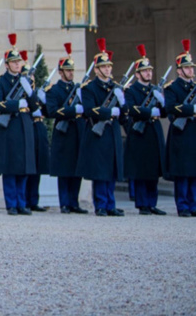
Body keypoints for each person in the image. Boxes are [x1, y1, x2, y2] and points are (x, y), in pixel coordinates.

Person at [0, 34, 39, 216]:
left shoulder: (25, 81)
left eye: (19, 61)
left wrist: (31, 94)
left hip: (24, 125)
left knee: (24, 167)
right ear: (7, 64)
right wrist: (15, 104)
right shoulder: (0, 82)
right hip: (9, 127)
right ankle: (11, 203)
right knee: (10, 167)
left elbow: (34, 107)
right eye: (14, 62)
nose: (17, 64)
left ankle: (22, 203)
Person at [76, 38, 125, 217]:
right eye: (103, 67)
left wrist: (121, 102)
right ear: (96, 69)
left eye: (109, 66)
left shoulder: (116, 87)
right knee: (100, 171)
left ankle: (110, 204)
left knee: (112, 170)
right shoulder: (90, 88)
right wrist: (109, 111)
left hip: (111, 131)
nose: (107, 69)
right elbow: (90, 110)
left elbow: (124, 111)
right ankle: (101, 205)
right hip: (98, 132)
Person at [124, 44, 166, 216]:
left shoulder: (154, 90)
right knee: (141, 170)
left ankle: (152, 202)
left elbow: (164, 112)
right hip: (140, 133)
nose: (149, 73)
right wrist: (150, 111)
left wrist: (162, 102)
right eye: (145, 71)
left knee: (153, 170)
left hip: (153, 130)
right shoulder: (132, 90)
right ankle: (142, 203)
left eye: (150, 70)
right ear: (137, 74)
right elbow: (132, 109)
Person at [46, 43, 88, 214]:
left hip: (77, 131)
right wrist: (72, 110)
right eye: (68, 70)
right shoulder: (54, 90)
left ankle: (74, 202)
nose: (71, 73)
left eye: (72, 70)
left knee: (76, 169)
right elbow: (52, 110)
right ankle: (65, 202)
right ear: (61, 72)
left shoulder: (78, 89)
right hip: (63, 133)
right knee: (64, 170)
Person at [164, 40, 196, 217]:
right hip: (181, 133)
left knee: (194, 172)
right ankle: (183, 205)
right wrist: (192, 109)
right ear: (179, 70)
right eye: (187, 67)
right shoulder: (172, 88)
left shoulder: (194, 87)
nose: (191, 70)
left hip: (193, 132)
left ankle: (193, 204)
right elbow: (171, 107)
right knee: (183, 172)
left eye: (191, 67)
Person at [21, 50, 50, 212]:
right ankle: (24, 199)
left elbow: (48, 111)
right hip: (28, 125)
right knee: (28, 165)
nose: (30, 78)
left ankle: (33, 199)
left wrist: (43, 101)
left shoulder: (36, 91)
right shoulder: (23, 91)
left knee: (38, 165)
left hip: (39, 127)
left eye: (31, 76)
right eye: (27, 75)